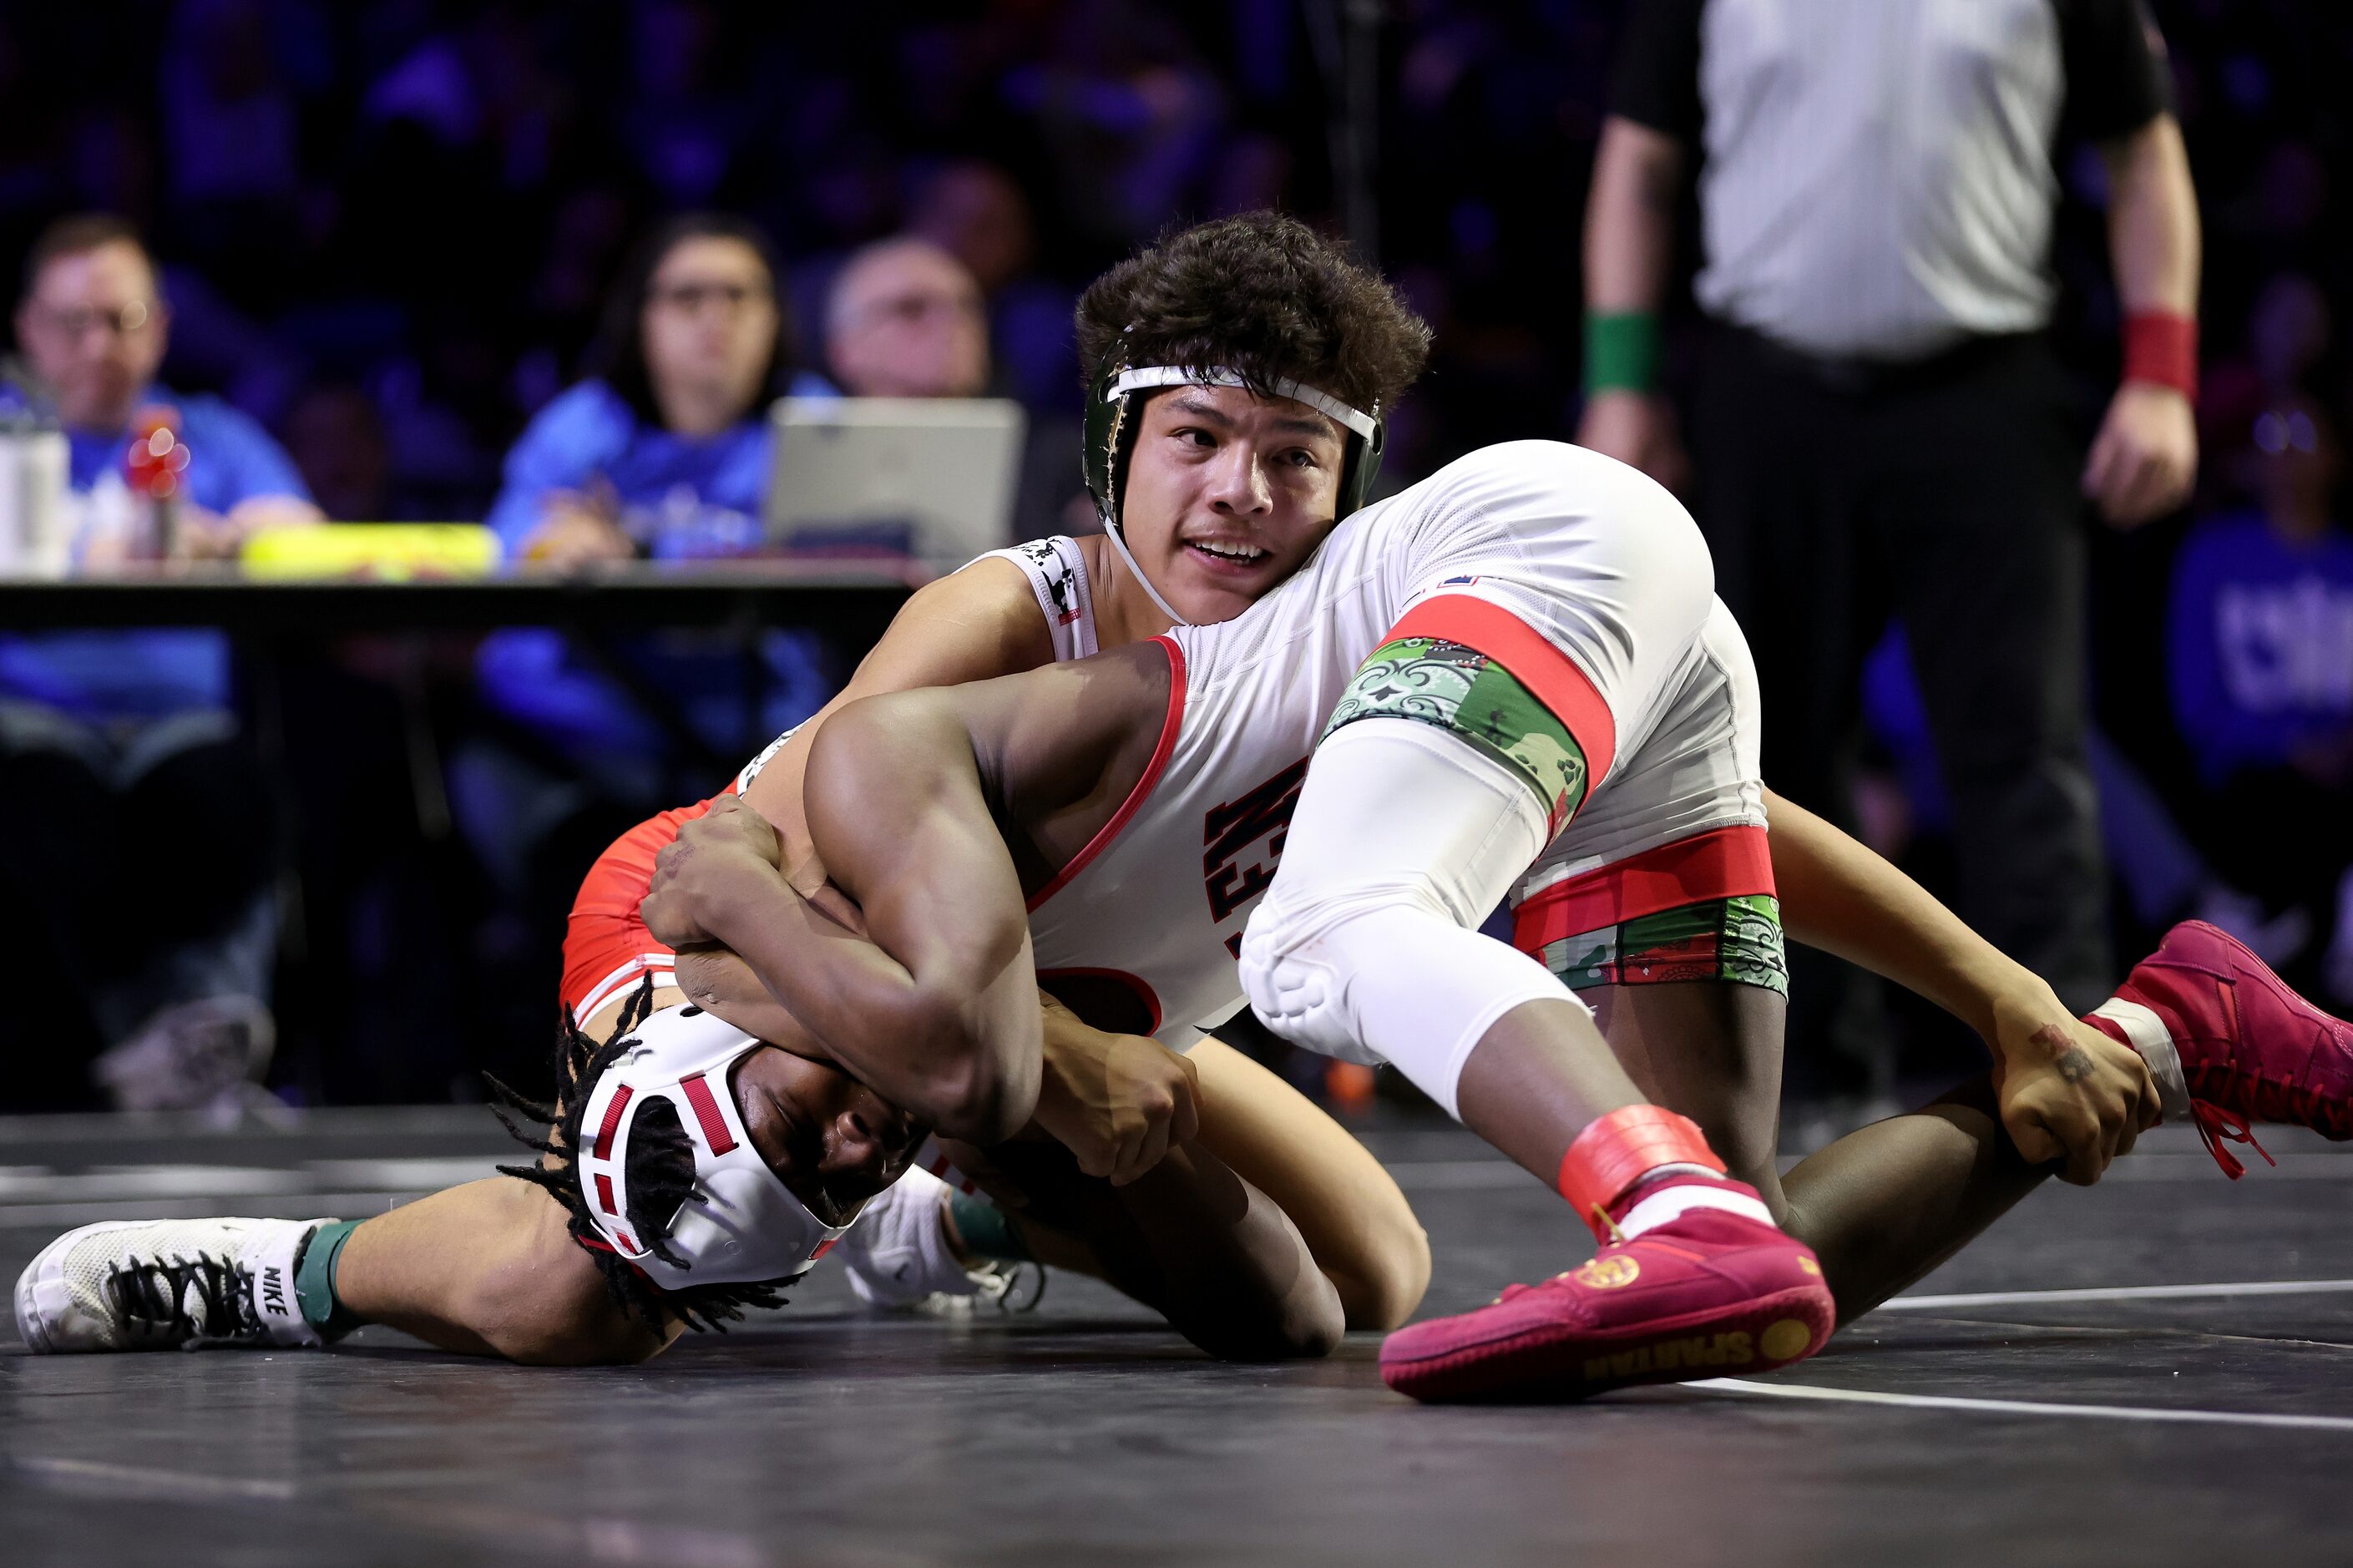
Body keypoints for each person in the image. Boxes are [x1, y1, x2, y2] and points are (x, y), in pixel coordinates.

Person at [20, 214, 1437, 1363]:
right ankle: (283, 1270)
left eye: (1291, 457)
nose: (1239, 491)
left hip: (997, 998)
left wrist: (1034, 1074)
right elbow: (739, 891)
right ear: (1115, 451)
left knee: (1373, 1271)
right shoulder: (1006, 620)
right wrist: (1046, 1072)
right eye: (1196, 438)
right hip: (752, 930)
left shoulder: (1343, 673)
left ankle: (935, 1220)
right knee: (615, 1275)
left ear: (1349, 492)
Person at [1576, 0, 2204, 1095]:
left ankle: (2068, 1058)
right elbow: (1638, 159)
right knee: (1752, 743)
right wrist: (1619, 377)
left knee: (2021, 741)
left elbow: (2142, 146)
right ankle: (1811, 1070)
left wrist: (2159, 372)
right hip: (1767, 391)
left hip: (1984, 387)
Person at [0, 212, 321, 1112]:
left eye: (124, 319)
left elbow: (299, 532)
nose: (99, 345)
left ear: (161, 329)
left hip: (178, 719)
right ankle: (156, 1051)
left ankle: (189, 1049)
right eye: (74, 323)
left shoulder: (201, 436)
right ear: (29, 328)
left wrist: (227, 536)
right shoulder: (13, 436)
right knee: (41, 803)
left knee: (229, 795)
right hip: (31, 713)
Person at [2169, 395, 2353, 1004]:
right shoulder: (2213, 556)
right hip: (2249, 778)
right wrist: (2290, 746)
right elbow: (2197, 700)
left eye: (2304, 434)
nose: (2287, 455)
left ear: (2336, 455)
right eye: (2268, 438)